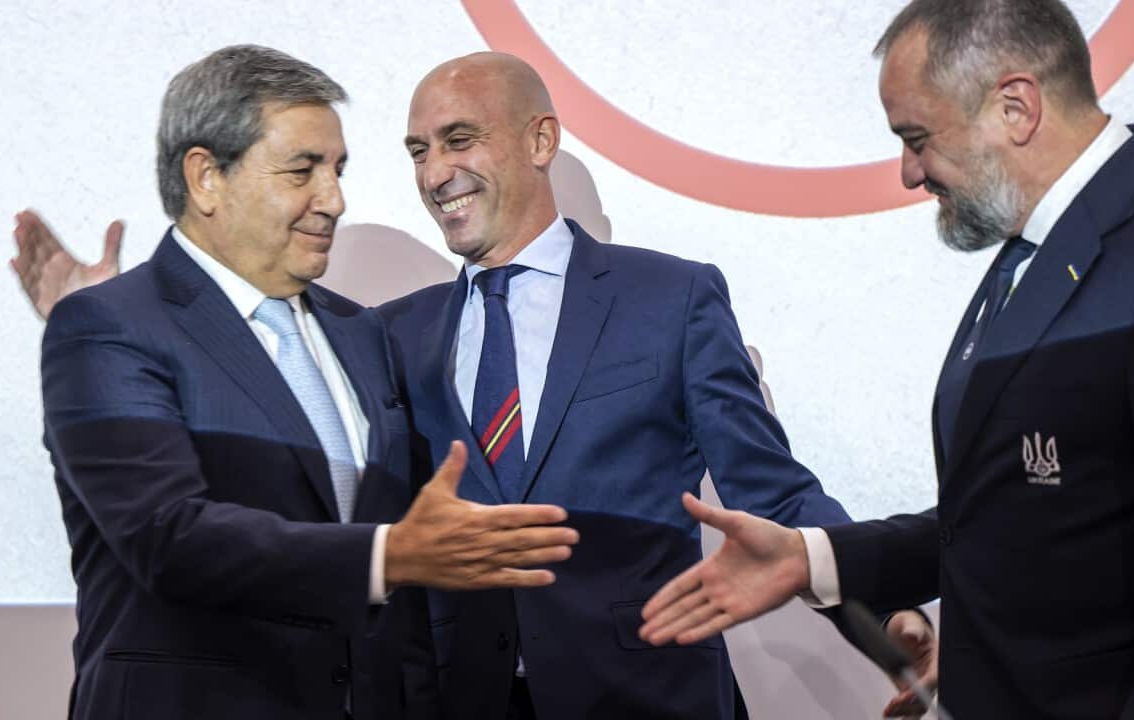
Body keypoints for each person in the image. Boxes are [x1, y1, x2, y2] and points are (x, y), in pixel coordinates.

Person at [639, 0, 1134, 717]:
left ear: (1015, 108)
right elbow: (1009, 515)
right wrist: (813, 560)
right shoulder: (1031, 257)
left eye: (916, 138)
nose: (909, 173)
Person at [379, 52, 932, 720]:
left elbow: (773, 493)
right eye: (419, 151)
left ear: (540, 140)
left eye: (459, 139)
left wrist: (887, 614)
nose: (436, 173)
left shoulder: (672, 298)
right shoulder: (394, 337)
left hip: (651, 696)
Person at [39, 45, 577, 720]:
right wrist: (392, 553)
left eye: (338, 170)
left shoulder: (363, 334)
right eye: (304, 170)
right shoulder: (107, 326)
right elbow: (168, 537)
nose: (335, 200)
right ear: (206, 176)